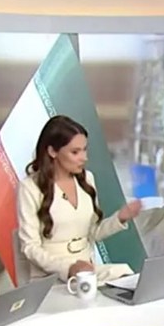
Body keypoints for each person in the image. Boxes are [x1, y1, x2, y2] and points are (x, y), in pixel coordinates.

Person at [17, 115, 141, 283]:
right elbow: (30, 247)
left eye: (84, 150)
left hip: (88, 273)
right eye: (75, 152)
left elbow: (93, 233)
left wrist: (120, 217)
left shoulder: (87, 179)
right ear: (52, 151)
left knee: (127, 276)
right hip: (50, 277)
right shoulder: (29, 188)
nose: (84, 158)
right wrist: (68, 268)